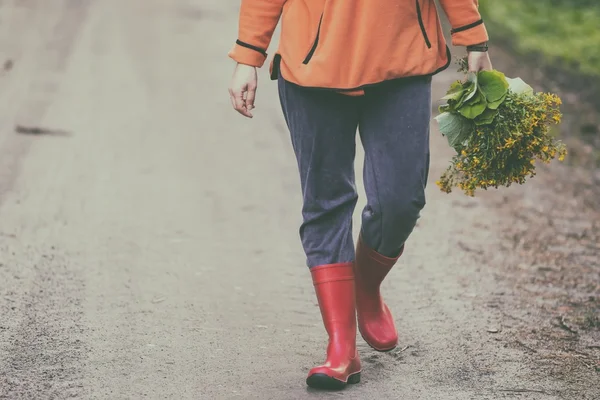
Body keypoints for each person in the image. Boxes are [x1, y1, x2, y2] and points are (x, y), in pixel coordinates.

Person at [228, 0, 492, 390]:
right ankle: (341, 350)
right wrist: (248, 55)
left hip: (403, 58)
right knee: (325, 201)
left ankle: (365, 285)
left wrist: (474, 38)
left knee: (401, 200)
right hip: (310, 65)